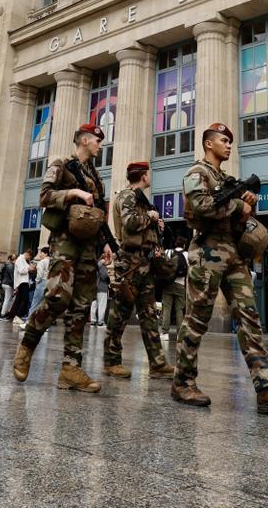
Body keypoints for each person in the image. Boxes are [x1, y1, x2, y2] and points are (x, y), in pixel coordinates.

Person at [171, 122, 268, 414]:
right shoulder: (197, 173)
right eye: (223, 140)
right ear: (209, 144)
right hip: (207, 251)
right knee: (196, 318)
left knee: (249, 317)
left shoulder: (227, 178)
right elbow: (201, 206)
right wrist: (237, 206)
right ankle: (182, 382)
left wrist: (248, 204)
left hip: (233, 252)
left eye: (230, 141)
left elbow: (239, 214)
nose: (229, 145)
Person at [13, 123, 108, 393]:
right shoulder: (62, 164)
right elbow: (44, 195)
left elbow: (99, 211)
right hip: (65, 243)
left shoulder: (97, 176)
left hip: (89, 248)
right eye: (97, 140)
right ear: (85, 140)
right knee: (57, 296)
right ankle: (27, 346)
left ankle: (70, 368)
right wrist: (74, 193)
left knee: (80, 307)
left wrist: (107, 243)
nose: (100, 145)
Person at [102, 162, 176, 380]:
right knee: (120, 314)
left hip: (145, 263)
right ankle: (111, 361)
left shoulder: (141, 199)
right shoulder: (127, 196)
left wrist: (156, 227)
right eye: (148, 173)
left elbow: (142, 227)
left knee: (149, 314)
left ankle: (158, 364)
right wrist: (150, 218)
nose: (150, 176)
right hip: (130, 265)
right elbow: (130, 223)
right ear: (143, 176)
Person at [162, 244, 188, 341]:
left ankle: (165, 333)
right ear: (184, 245)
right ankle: (180, 334)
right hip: (180, 285)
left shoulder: (168, 251)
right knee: (179, 310)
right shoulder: (186, 254)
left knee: (167, 309)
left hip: (168, 284)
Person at [11, 249, 35, 328]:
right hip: (22, 282)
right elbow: (21, 271)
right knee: (25, 299)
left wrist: (31, 268)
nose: (29, 259)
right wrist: (29, 269)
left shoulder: (23, 260)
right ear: (27, 254)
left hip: (22, 282)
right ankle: (17, 316)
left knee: (19, 300)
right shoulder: (20, 259)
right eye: (30, 257)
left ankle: (15, 317)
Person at [27, 247, 51, 318]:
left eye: (41, 252)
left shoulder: (42, 262)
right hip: (49, 283)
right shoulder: (51, 262)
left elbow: (39, 275)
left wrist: (37, 282)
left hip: (42, 282)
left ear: (46, 253)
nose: (40, 254)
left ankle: (29, 321)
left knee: (35, 303)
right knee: (44, 305)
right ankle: (42, 324)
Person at [90, 249, 112, 326]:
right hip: (102, 287)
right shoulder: (102, 265)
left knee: (94, 305)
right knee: (102, 305)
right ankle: (100, 322)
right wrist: (108, 277)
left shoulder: (95, 265)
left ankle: (92, 320)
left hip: (94, 287)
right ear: (105, 258)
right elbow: (103, 276)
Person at [0, 254, 16, 320]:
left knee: (7, 299)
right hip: (8, 284)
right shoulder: (11, 266)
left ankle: (5, 313)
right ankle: (3, 314)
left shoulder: (6, 265)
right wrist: (15, 285)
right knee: (7, 299)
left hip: (4, 283)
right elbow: (12, 276)